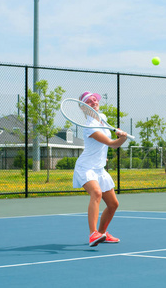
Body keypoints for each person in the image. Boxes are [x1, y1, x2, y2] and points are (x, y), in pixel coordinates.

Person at [73, 91, 128, 247]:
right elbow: (112, 143)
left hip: (99, 168)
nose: (93, 102)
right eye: (89, 102)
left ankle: (103, 233)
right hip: (86, 167)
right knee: (96, 193)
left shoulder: (102, 118)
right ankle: (93, 234)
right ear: (83, 108)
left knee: (113, 204)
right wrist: (122, 138)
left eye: (94, 100)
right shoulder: (89, 126)